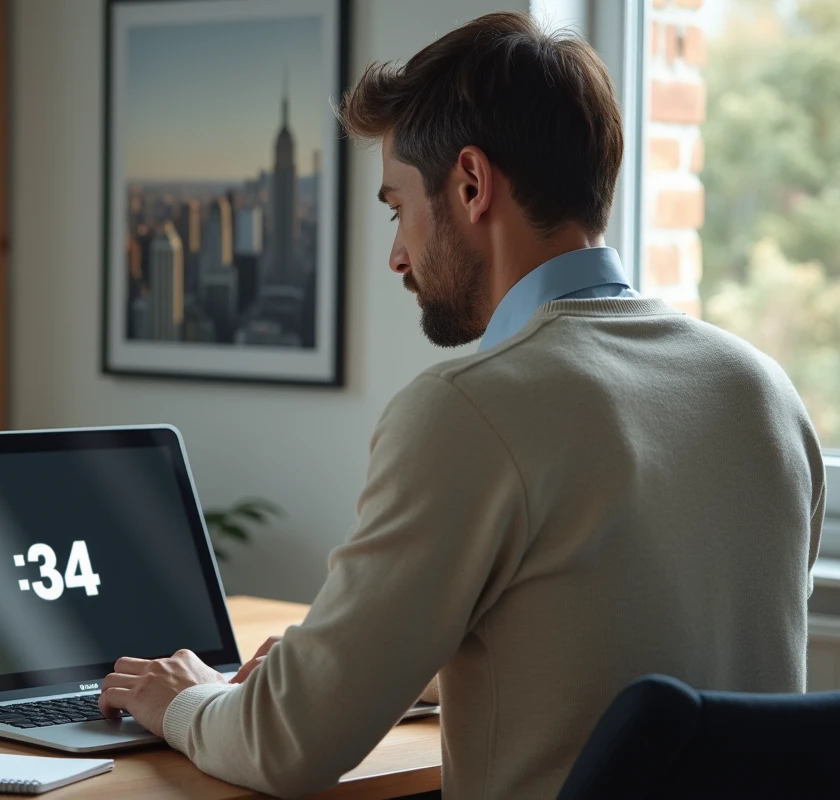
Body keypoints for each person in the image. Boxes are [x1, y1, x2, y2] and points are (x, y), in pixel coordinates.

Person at [98, 11, 826, 799]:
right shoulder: (765, 393)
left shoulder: (470, 412)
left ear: (471, 185)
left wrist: (184, 701)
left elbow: (288, 746)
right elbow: (638, 664)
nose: (397, 253)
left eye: (397, 206)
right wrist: (399, 668)